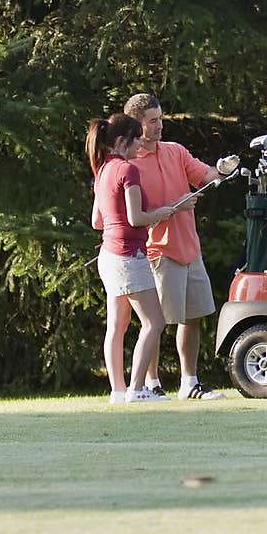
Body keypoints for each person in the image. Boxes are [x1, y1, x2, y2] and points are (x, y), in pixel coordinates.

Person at [122, 92, 227, 400]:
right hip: (159, 252)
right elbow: (138, 214)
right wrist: (176, 205)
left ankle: (189, 382)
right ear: (137, 124)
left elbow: (206, 175)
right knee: (156, 323)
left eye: (161, 119)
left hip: (189, 247)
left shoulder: (175, 151)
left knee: (192, 317)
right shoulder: (131, 165)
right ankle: (152, 383)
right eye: (152, 121)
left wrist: (222, 169)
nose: (159, 126)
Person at [85, 113, 183, 405]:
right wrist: (161, 214)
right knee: (154, 321)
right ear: (121, 141)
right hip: (130, 256)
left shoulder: (102, 170)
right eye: (136, 138)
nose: (141, 143)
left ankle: (118, 390)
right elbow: (137, 217)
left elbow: (96, 221)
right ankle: (137, 388)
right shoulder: (128, 171)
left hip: (109, 256)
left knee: (116, 326)